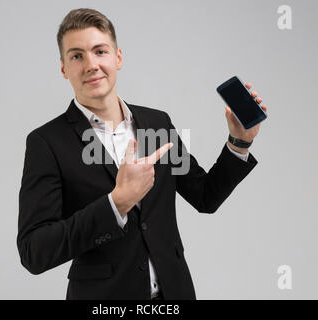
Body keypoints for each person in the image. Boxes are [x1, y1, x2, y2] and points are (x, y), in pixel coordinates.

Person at [17, 8, 267, 300]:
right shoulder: (47, 142)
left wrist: (239, 141)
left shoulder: (156, 123)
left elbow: (205, 196)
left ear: (118, 57)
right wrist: (116, 203)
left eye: (100, 51)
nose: (91, 64)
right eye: (76, 56)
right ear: (63, 69)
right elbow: (35, 251)